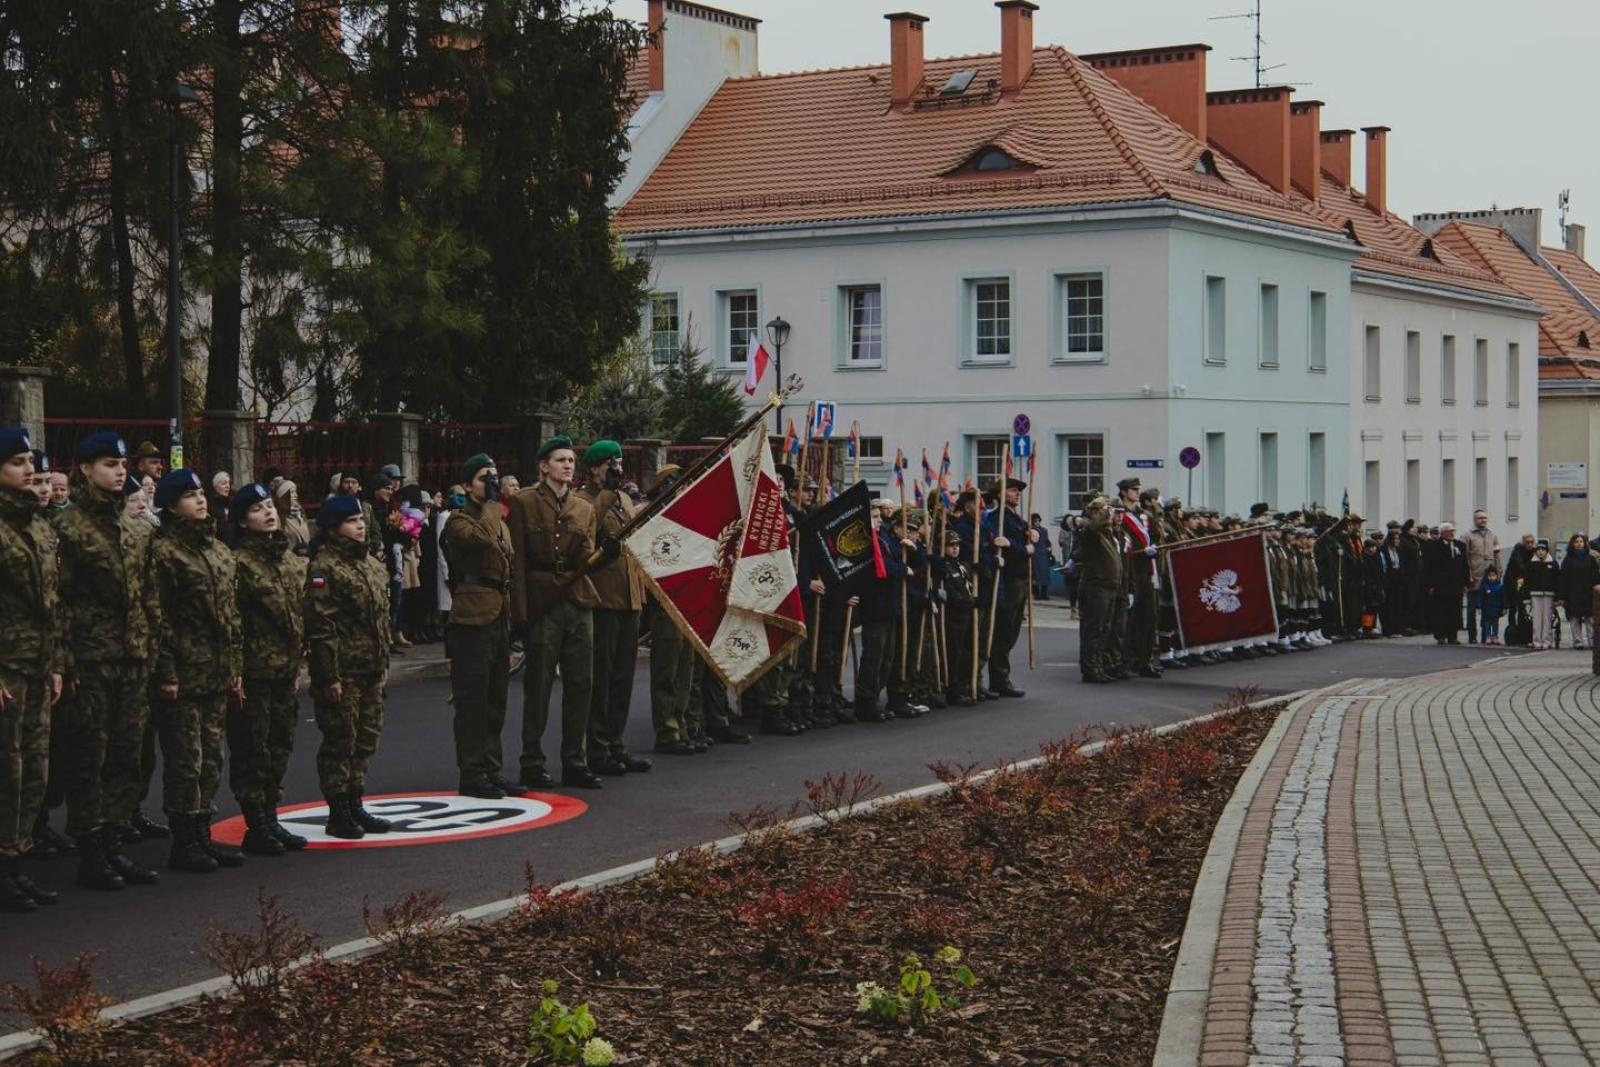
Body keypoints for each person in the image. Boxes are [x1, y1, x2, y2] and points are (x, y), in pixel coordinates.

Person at [55, 433, 163, 891]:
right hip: (91, 658)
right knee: (89, 756)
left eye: (122, 464)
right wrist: (66, 661)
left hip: (133, 657)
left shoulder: (137, 527)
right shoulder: (68, 528)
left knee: (126, 753)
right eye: (108, 464)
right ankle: (91, 850)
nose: (119, 471)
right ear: (84, 469)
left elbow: (150, 596)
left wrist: (152, 650)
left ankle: (115, 841)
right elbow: (57, 600)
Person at [150, 469, 245, 873]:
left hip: (217, 671)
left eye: (201, 493)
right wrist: (168, 671)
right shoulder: (164, 553)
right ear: (171, 506)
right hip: (185, 672)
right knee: (185, 759)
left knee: (210, 758)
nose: (201, 500)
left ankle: (203, 832)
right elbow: (160, 617)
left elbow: (231, 616)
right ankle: (184, 840)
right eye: (189, 496)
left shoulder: (218, 550)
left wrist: (235, 668)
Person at [508, 436, 602, 790]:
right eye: (560, 460)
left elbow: (587, 559)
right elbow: (516, 563)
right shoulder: (523, 502)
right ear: (543, 466)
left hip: (576, 600)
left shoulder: (583, 508)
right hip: (541, 600)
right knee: (540, 685)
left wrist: (603, 554)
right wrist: (520, 613)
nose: (567, 465)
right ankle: (532, 761)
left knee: (581, 684)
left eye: (571, 461)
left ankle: (574, 761)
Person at [0, 428, 65, 912]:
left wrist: (57, 662)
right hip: (7, 668)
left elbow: (53, 604)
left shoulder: (39, 526)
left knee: (32, 771)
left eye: (30, 460)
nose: (28, 468)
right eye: (17, 461)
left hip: (38, 665)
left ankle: (16, 865)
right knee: (7, 769)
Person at [305, 493, 393, 839]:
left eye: (361, 520)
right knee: (341, 740)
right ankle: (338, 811)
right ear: (333, 529)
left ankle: (356, 802)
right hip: (344, 671)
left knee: (365, 739)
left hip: (371, 666)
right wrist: (329, 676)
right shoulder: (325, 567)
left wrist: (383, 660)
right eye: (351, 521)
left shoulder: (370, 562)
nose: (360, 526)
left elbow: (382, 618)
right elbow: (321, 626)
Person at [228, 483, 309, 854]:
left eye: (269, 506)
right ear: (243, 522)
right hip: (255, 669)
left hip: (283, 668)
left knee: (280, 744)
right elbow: (233, 621)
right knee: (252, 747)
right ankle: (255, 823)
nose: (269, 512)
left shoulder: (288, 559)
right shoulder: (237, 562)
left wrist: (296, 662)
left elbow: (298, 615)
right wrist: (236, 669)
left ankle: (271, 816)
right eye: (258, 509)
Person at [439, 454, 522, 799]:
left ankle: (492, 768)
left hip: (499, 614)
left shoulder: (499, 521)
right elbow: (482, 540)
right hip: (472, 617)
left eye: (495, 477)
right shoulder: (458, 521)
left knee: (495, 699)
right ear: (468, 484)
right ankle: (472, 773)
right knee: (472, 701)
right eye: (484, 478)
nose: (492, 483)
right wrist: (491, 501)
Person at [577, 440, 651, 776]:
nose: (617, 469)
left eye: (620, 463)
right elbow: (589, 535)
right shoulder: (584, 500)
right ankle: (597, 748)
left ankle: (616, 743)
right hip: (604, 598)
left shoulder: (623, 498)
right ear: (594, 468)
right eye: (610, 463)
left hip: (629, 596)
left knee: (623, 678)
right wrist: (606, 493)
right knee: (602, 677)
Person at [642, 465, 698, 756]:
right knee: (666, 669)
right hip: (666, 603)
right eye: (675, 484)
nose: (681, 488)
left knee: (684, 670)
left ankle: (682, 723)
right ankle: (667, 730)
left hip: (688, 602)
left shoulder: (685, 516)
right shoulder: (653, 519)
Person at [854, 508, 920, 721]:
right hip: (875, 606)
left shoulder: (884, 539)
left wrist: (910, 550)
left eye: (878, 517)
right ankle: (866, 702)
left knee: (888, 657)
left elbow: (912, 563)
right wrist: (902, 569)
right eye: (873, 517)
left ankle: (875, 698)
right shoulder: (866, 541)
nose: (878, 520)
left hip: (891, 605)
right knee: (874, 656)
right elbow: (880, 565)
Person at [983, 477, 1032, 698]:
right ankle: (999, 678)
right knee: (1004, 630)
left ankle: (1002, 676)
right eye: (1013, 491)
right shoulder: (997, 517)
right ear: (1001, 494)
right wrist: (1023, 547)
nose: (1017, 494)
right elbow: (1003, 544)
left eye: (1017, 491)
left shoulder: (1016, 518)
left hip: (1021, 576)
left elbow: (1023, 540)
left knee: (1012, 630)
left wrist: (1033, 537)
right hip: (1009, 578)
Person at [1070, 496, 1124, 683]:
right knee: (1094, 629)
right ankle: (1090, 668)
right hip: (1095, 586)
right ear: (1095, 512)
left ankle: (1099, 665)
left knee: (1105, 629)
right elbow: (1090, 526)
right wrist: (1101, 512)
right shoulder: (1090, 531)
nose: (1110, 513)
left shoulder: (1108, 533)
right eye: (1105, 510)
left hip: (1109, 585)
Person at [1119, 479, 1161, 678]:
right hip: (1132, 571)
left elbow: (1155, 537)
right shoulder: (1120, 515)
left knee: (1149, 617)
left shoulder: (1145, 516)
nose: (1137, 493)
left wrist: (1153, 548)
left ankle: (1145, 661)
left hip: (1148, 571)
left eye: (1138, 490)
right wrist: (1141, 550)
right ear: (1124, 492)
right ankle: (1127, 660)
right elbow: (1121, 544)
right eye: (1133, 490)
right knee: (1131, 619)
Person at [939, 529, 977, 707]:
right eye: (950, 545)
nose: (955, 549)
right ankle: (953, 690)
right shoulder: (943, 566)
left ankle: (964, 686)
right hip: (953, 615)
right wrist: (967, 602)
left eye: (956, 545)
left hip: (966, 614)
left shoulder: (961, 565)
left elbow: (967, 585)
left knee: (966, 652)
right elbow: (951, 593)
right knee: (954, 653)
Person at [1422, 522, 1469, 645]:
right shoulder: (1434, 546)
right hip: (1440, 584)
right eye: (1449, 531)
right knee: (1441, 610)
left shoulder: (1460, 546)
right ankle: (1440, 635)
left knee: (1455, 610)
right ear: (1443, 533)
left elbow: (1464, 565)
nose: (1452, 533)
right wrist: (1430, 585)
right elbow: (1428, 567)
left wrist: (1465, 582)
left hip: (1456, 584)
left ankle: (1452, 635)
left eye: (1453, 531)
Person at [1556, 534, 1600, 650]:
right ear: (1572, 544)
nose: (1579, 544)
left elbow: (1596, 577)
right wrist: (1561, 596)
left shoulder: (1591, 559)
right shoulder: (1568, 560)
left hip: (1588, 594)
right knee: (1574, 619)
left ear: (1585, 544)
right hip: (1573, 594)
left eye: (1581, 542)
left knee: (1590, 619)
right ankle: (1578, 642)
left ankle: (1593, 641)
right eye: (1576, 542)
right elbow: (1563, 579)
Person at [1463, 510, 1500, 645]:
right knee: (1472, 608)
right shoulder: (1467, 536)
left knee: (1488, 608)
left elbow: (1497, 555)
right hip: (1475, 576)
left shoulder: (1492, 535)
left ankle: (1486, 635)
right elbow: (1465, 558)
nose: (1483, 520)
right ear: (1474, 520)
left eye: (1484, 518)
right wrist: (1468, 575)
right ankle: (1472, 635)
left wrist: (1498, 574)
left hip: (1489, 579)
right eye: (1479, 518)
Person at [1524, 540, 1559, 650]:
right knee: (1537, 620)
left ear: (1546, 551)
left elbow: (1557, 580)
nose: (1540, 552)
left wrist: (1558, 597)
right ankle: (1536, 641)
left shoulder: (1553, 564)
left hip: (1549, 595)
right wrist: (1526, 597)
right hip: (1535, 594)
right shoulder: (1531, 564)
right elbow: (1527, 581)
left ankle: (1546, 640)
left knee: (1547, 619)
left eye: (1542, 550)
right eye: (1538, 550)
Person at [274, 480, 310, 554]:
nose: (296, 495)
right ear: (284, 496)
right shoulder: (278, 518)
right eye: (292, 492)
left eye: (295, 492)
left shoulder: (300, 514)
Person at [1478, 566, 1505, 646]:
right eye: (1490, 576)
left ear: (1497, 576)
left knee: (1495, 624)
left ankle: (1495, 636)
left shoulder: (1500, 586)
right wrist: (1479, 607)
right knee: (1487, 624)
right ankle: (1488, 636)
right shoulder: (1484, 586)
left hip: (1496, 608)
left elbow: (1503, 598)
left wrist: (1504, 607)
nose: (1491, 577)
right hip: (1486, 608)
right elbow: (1480, 597)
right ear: (1487, 576)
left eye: (1493, 576)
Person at [1029, 512, 1053, 600]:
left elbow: (1047, 541)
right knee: (1036, 575)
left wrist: (1049, 548)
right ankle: (1036, 594)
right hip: (1035, 554)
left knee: (1044, 576)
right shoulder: (1030, 530)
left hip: (1043, 554)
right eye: (1035, 521)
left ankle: (1044, 594)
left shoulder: (1044, 530)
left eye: (1038, 520)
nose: (1037, 522)